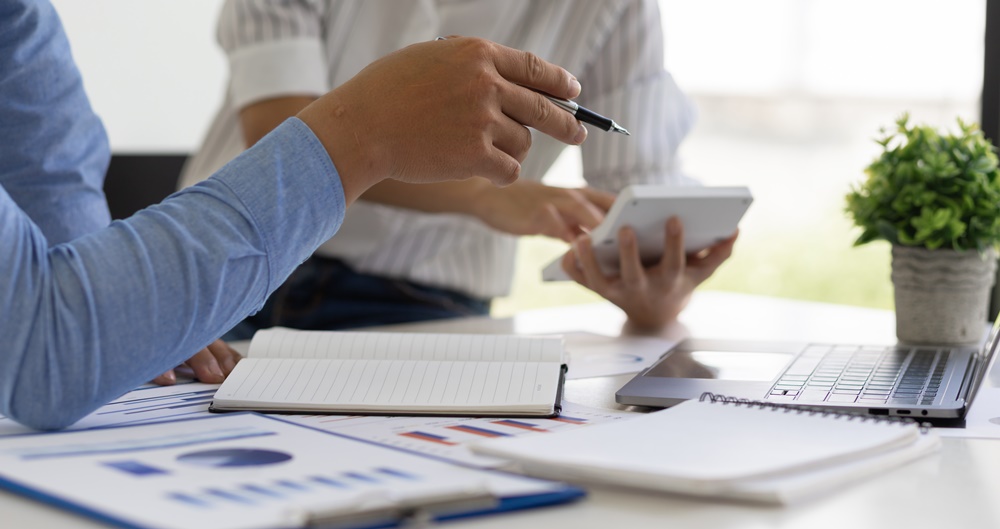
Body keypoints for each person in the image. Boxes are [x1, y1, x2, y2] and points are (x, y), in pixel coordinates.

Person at [0, 0, 588, 430]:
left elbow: (62, 250)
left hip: (379, 309)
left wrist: (125, 311)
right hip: (270, 293)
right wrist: (364, 133)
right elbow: (43, 343)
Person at [181, 0, 738, 337]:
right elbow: (282, 127)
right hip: (229, 261)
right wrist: (483, 196)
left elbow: (641, 191)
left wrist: (655, 289)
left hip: (422, 305)